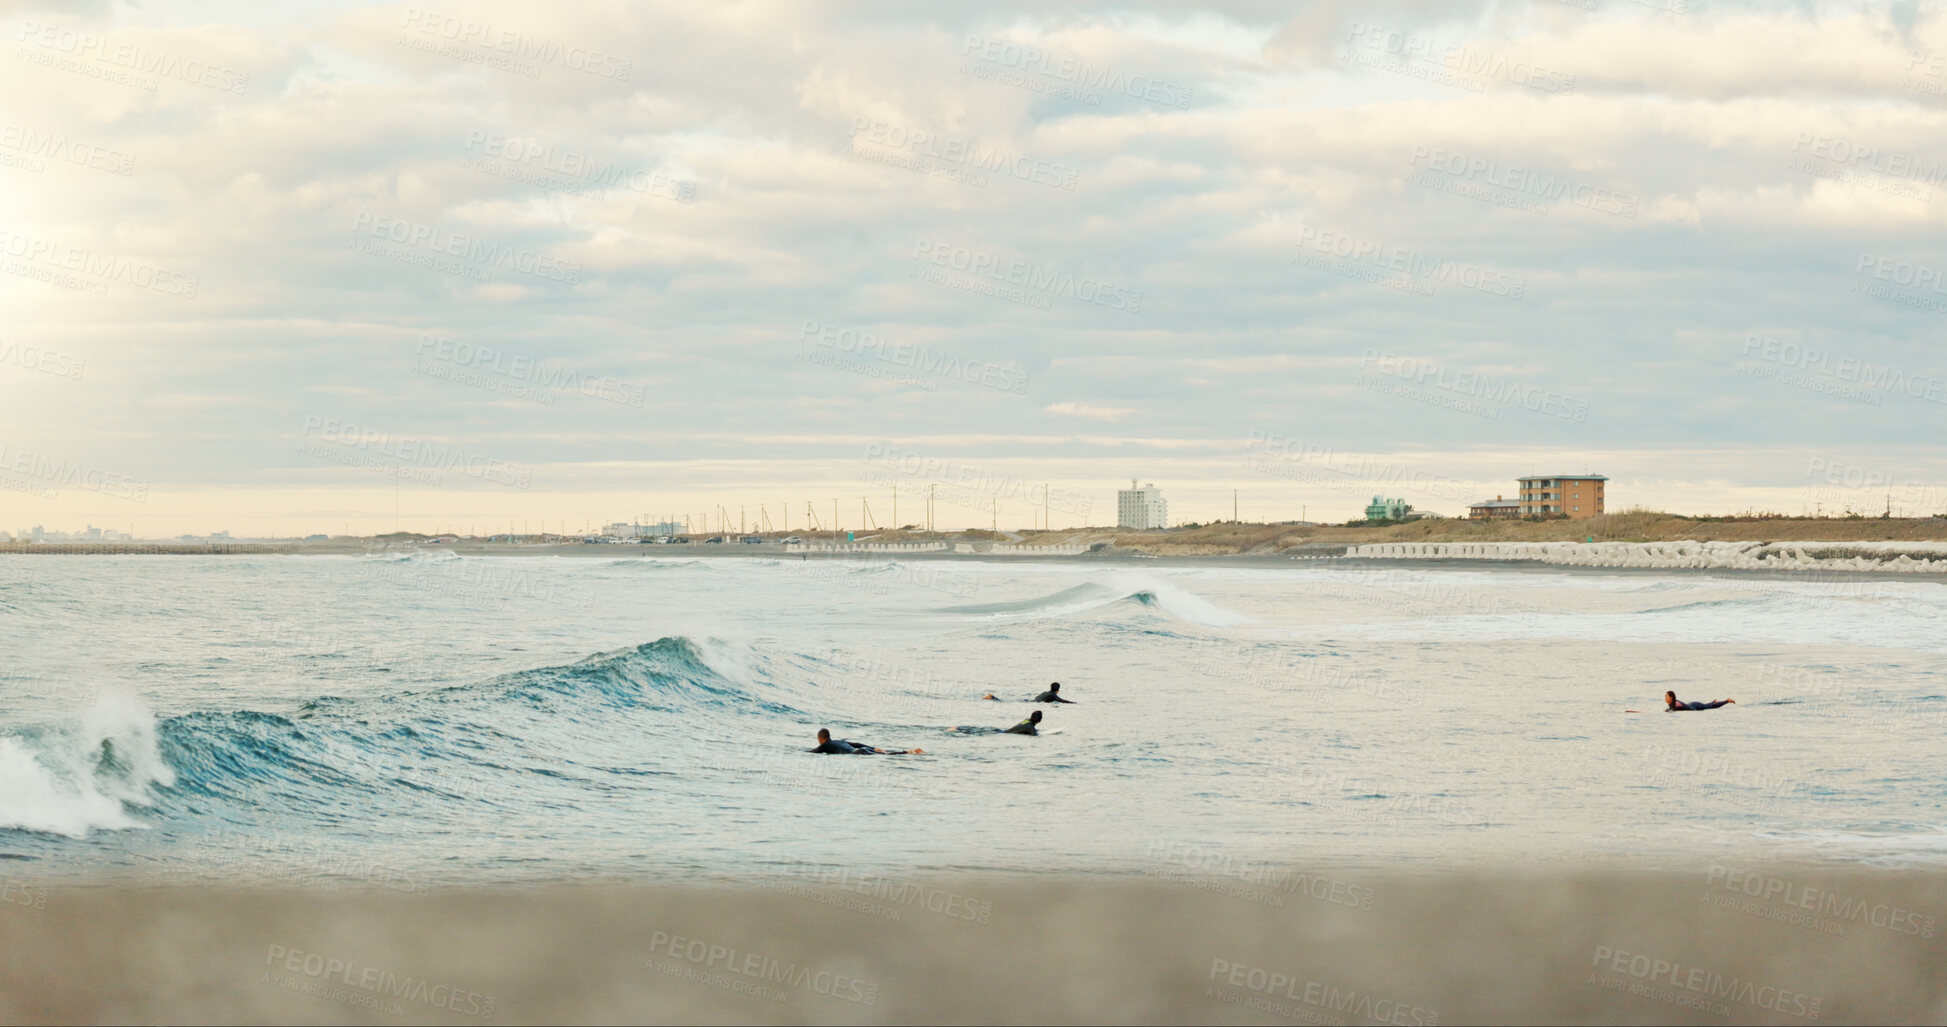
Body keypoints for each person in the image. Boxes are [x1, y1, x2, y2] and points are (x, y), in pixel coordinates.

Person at [809, 728, 918, 754]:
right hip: (863, 749)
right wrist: (873, 748)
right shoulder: (839, 741)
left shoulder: (825, 745)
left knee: (888, 756)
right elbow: (856, 744)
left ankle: (909, 752)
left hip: (859, 753)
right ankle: (909, 752)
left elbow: (813, 752)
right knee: (886, 754)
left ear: (820, 739)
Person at [1665, 691, 1734, 712]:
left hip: (1695, 706)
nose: (1665, 698)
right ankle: (1713, 702)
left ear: (1671, 697)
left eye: (1666, 696)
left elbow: (1686, 708)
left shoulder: (1677, 703)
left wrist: (1696, 711)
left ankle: (1727, 701)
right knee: (1707, 705)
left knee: (1711, 707)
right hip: (1692, 704)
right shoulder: (1671, 705)